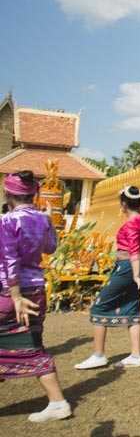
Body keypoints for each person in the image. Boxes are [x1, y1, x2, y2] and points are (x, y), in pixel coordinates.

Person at [0, 171, 70, 421]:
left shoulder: (7, 221)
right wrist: (49, 223)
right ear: (34, 194)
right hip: (37, 289)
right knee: (29, 345)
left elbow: (10, 261)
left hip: (11, 292)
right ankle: (58, 402)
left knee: (30, 348)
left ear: (9, 194)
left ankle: (59, 403)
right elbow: (51, 248)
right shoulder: (42, 219)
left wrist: (15, 295)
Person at [75, 185, 140, 370]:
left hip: (127, 267)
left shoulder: (131, 223)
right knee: (132, 307)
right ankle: (135, 355)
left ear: (123, 204)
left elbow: (133, 250)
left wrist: (136, 276)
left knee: (99, 305)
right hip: (136, 265)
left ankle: (99, 355)